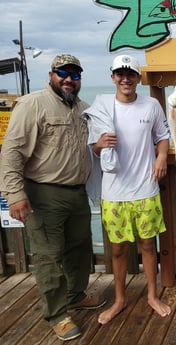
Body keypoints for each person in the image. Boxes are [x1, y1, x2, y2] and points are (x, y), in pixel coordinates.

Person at [0, 54, 106, 341]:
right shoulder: (32, 104)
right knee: (49, 257)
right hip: (42, 194)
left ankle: (75, 295)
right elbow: (11, 152)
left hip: (77, 193)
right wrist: (14, 193)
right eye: (63, 73)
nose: (69, 80)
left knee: (79, 250)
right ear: (51, 75)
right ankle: (57, 314)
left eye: (75, 75)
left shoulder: (83, 109)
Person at [84, 55, 172, 325]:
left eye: (130, 74)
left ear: (138, 78)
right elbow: (93, 149)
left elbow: (163, 135)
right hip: (114, 193)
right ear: (112, 77)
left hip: (145, 189)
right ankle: (120, 299)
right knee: (119, 250)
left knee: (148, 245)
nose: (125, 78)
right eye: (120, 74)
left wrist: (161, 157)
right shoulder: (101, 108)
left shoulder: (151, 105)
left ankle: (152, 295)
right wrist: (99, 145)